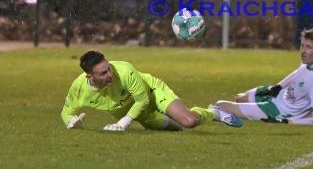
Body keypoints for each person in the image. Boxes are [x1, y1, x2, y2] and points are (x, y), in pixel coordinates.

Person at [61, 50, 243, 131]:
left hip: (152, 93)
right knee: (177, 128)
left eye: (109, 68)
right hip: (138, 114)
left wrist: (123, 123)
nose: (110, 74)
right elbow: (66, 112)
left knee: (189, 121)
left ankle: (213, 113)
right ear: (89, 77)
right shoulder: (79, 89)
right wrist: (71, 123)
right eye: (103, 73)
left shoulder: (124, 70)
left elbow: (142, 100)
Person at [214, 28, 313, 126]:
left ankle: (228, 118)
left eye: (308, 47)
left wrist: (287, 121)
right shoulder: (312, 60)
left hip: (278, 110)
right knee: (239, 98)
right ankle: (236, 116)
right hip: (277, 94)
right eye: (302, 45)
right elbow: (298, 72)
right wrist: (278, 87)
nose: (303, 51)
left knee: (220, 105)